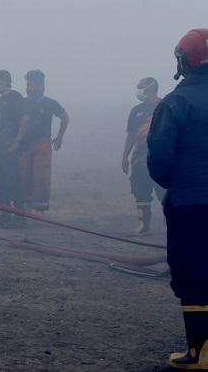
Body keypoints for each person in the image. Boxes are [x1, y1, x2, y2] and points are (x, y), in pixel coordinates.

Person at [148, 28, 208, 370]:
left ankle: (200, 353)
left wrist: (178, 185)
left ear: (184, 61)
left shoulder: (175, 102)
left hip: (190, 204)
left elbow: (159, 157)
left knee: (193, 272)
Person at [19, 70, 69, 212]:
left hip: (43, 143)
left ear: (41, 86)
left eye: (32, 85)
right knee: (23, 175)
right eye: (27, 85)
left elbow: (65, 117)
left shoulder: (50, 103)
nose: (28, 88)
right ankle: (24, 208)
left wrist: (60, 137)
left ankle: (39, 210)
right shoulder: (22, 103)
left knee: (41, 177)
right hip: (24, 144)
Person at [121, 77, 165, 235]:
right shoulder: (136, 111)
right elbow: (131, 135)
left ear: (152, 88)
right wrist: (125, 156)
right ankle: (143, 225)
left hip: (161, 159)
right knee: (140, 192)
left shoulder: (165, 106)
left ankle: (173, 223)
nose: (139, 91)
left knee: (165, 192)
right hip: (139, 160)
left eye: (142, 88)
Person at [0, 70, 29, 228]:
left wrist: (16, 142)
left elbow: (25, 120)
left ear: (3, 81)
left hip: (10, 148)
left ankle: (20, 217)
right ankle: (5, 214)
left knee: (13, 181)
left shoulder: (16, 98)